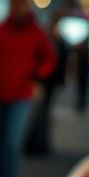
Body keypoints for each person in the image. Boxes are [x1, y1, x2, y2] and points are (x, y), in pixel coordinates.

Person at [0, 0, 56, 177]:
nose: (16, 8)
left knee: (11, 146)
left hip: (21, 95)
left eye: (19, 3)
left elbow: (49, 59)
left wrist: (36, 77)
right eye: (13, 3)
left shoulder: (36, 32)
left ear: (26, 5)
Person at [23, 27, 68, 156]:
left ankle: (38, 144)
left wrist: (39, 77)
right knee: (41, 114)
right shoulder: (49, 40)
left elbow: (51, 61)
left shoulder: (43, 39)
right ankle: (37, 144)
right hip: (42, 83)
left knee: (40, 115)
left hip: (42, 84)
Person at [74, 33, 89, 113]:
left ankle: (81, 105)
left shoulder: (82, 50)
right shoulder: (84, 50)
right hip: (83, 73)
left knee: (82, 90)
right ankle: (81, 105)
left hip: (83, 73)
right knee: (82, 90)